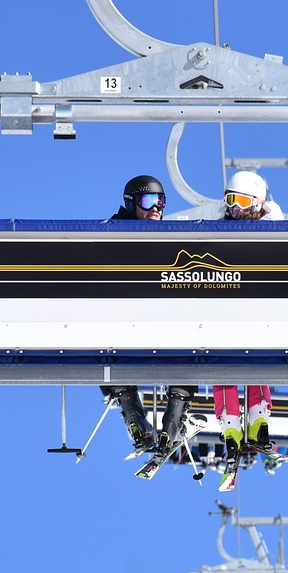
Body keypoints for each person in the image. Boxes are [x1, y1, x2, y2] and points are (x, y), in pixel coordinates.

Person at [102, 174, 195, 454]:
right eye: (148, 201)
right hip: (125, 315)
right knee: (103, 336)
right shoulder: (111, 234)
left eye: (161, 201)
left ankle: (169, 419)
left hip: (160, 315)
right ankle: (136, 414)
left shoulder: (171, 238)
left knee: (191, 334)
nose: (156, 208)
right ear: (131, 204)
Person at [213, 171, 283, 454]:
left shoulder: (274, 230)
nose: (235, 209)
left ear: (257, 202)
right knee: (222, 358)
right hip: (226, 309)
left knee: (256, 356)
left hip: (258, 309)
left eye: (241, 202)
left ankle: (258, 417)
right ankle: (230, 423)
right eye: (230, 200)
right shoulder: (218, 229)